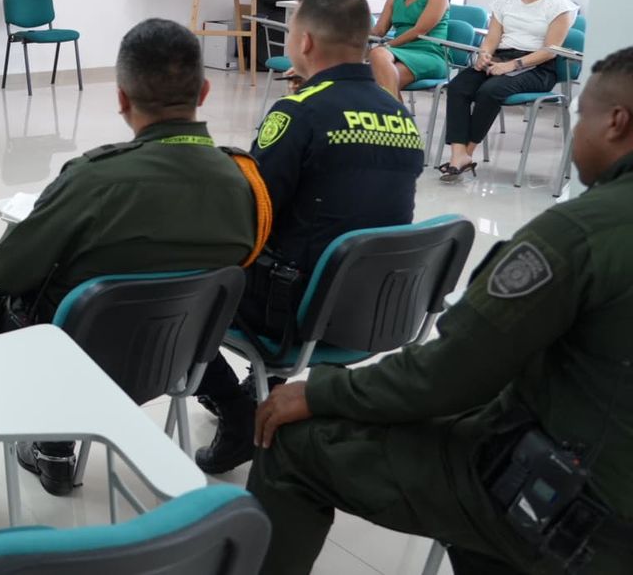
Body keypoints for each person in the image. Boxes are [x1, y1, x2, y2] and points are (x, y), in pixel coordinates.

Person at [248, 46, 633, 575]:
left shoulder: (580, 234)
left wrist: (322, 390)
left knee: (293, 443)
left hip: (581, 516)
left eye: (583, 115)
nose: (575, 132)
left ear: (617, 123)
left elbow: (450, 374)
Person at [0, 19, 268, 514]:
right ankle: (51, 449)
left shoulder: (95, 179)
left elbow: (5, 273)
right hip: (171, 361)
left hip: (65, 366)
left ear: (122, 98)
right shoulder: (246, 183)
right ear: (206, 91)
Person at [195, 0, 423, 475]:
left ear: (305, 43)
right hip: (377, 309)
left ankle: (237, 414)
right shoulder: (400, 115)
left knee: (180, 271)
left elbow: (253, 214)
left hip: (295, 312)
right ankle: (267, 400)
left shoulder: (298, 111)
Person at [439, 0, 578, 183]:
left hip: (538, 66)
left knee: (490, 90)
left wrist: (513, 65)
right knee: (458, 87)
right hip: (501, 57)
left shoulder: (560, 6)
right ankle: (458, 154)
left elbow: (549, 50)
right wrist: (484, 54)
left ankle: (467, 153)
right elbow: (492, 39)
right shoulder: (504, 2)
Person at [367, 0, 450, 99]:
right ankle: (401, 120)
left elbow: (420, 31)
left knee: (380, 74)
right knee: (381, 79)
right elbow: (379, 31)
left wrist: (387, 45)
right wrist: (352, 34)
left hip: (429, 54)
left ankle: (398, 120)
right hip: (399, 52)